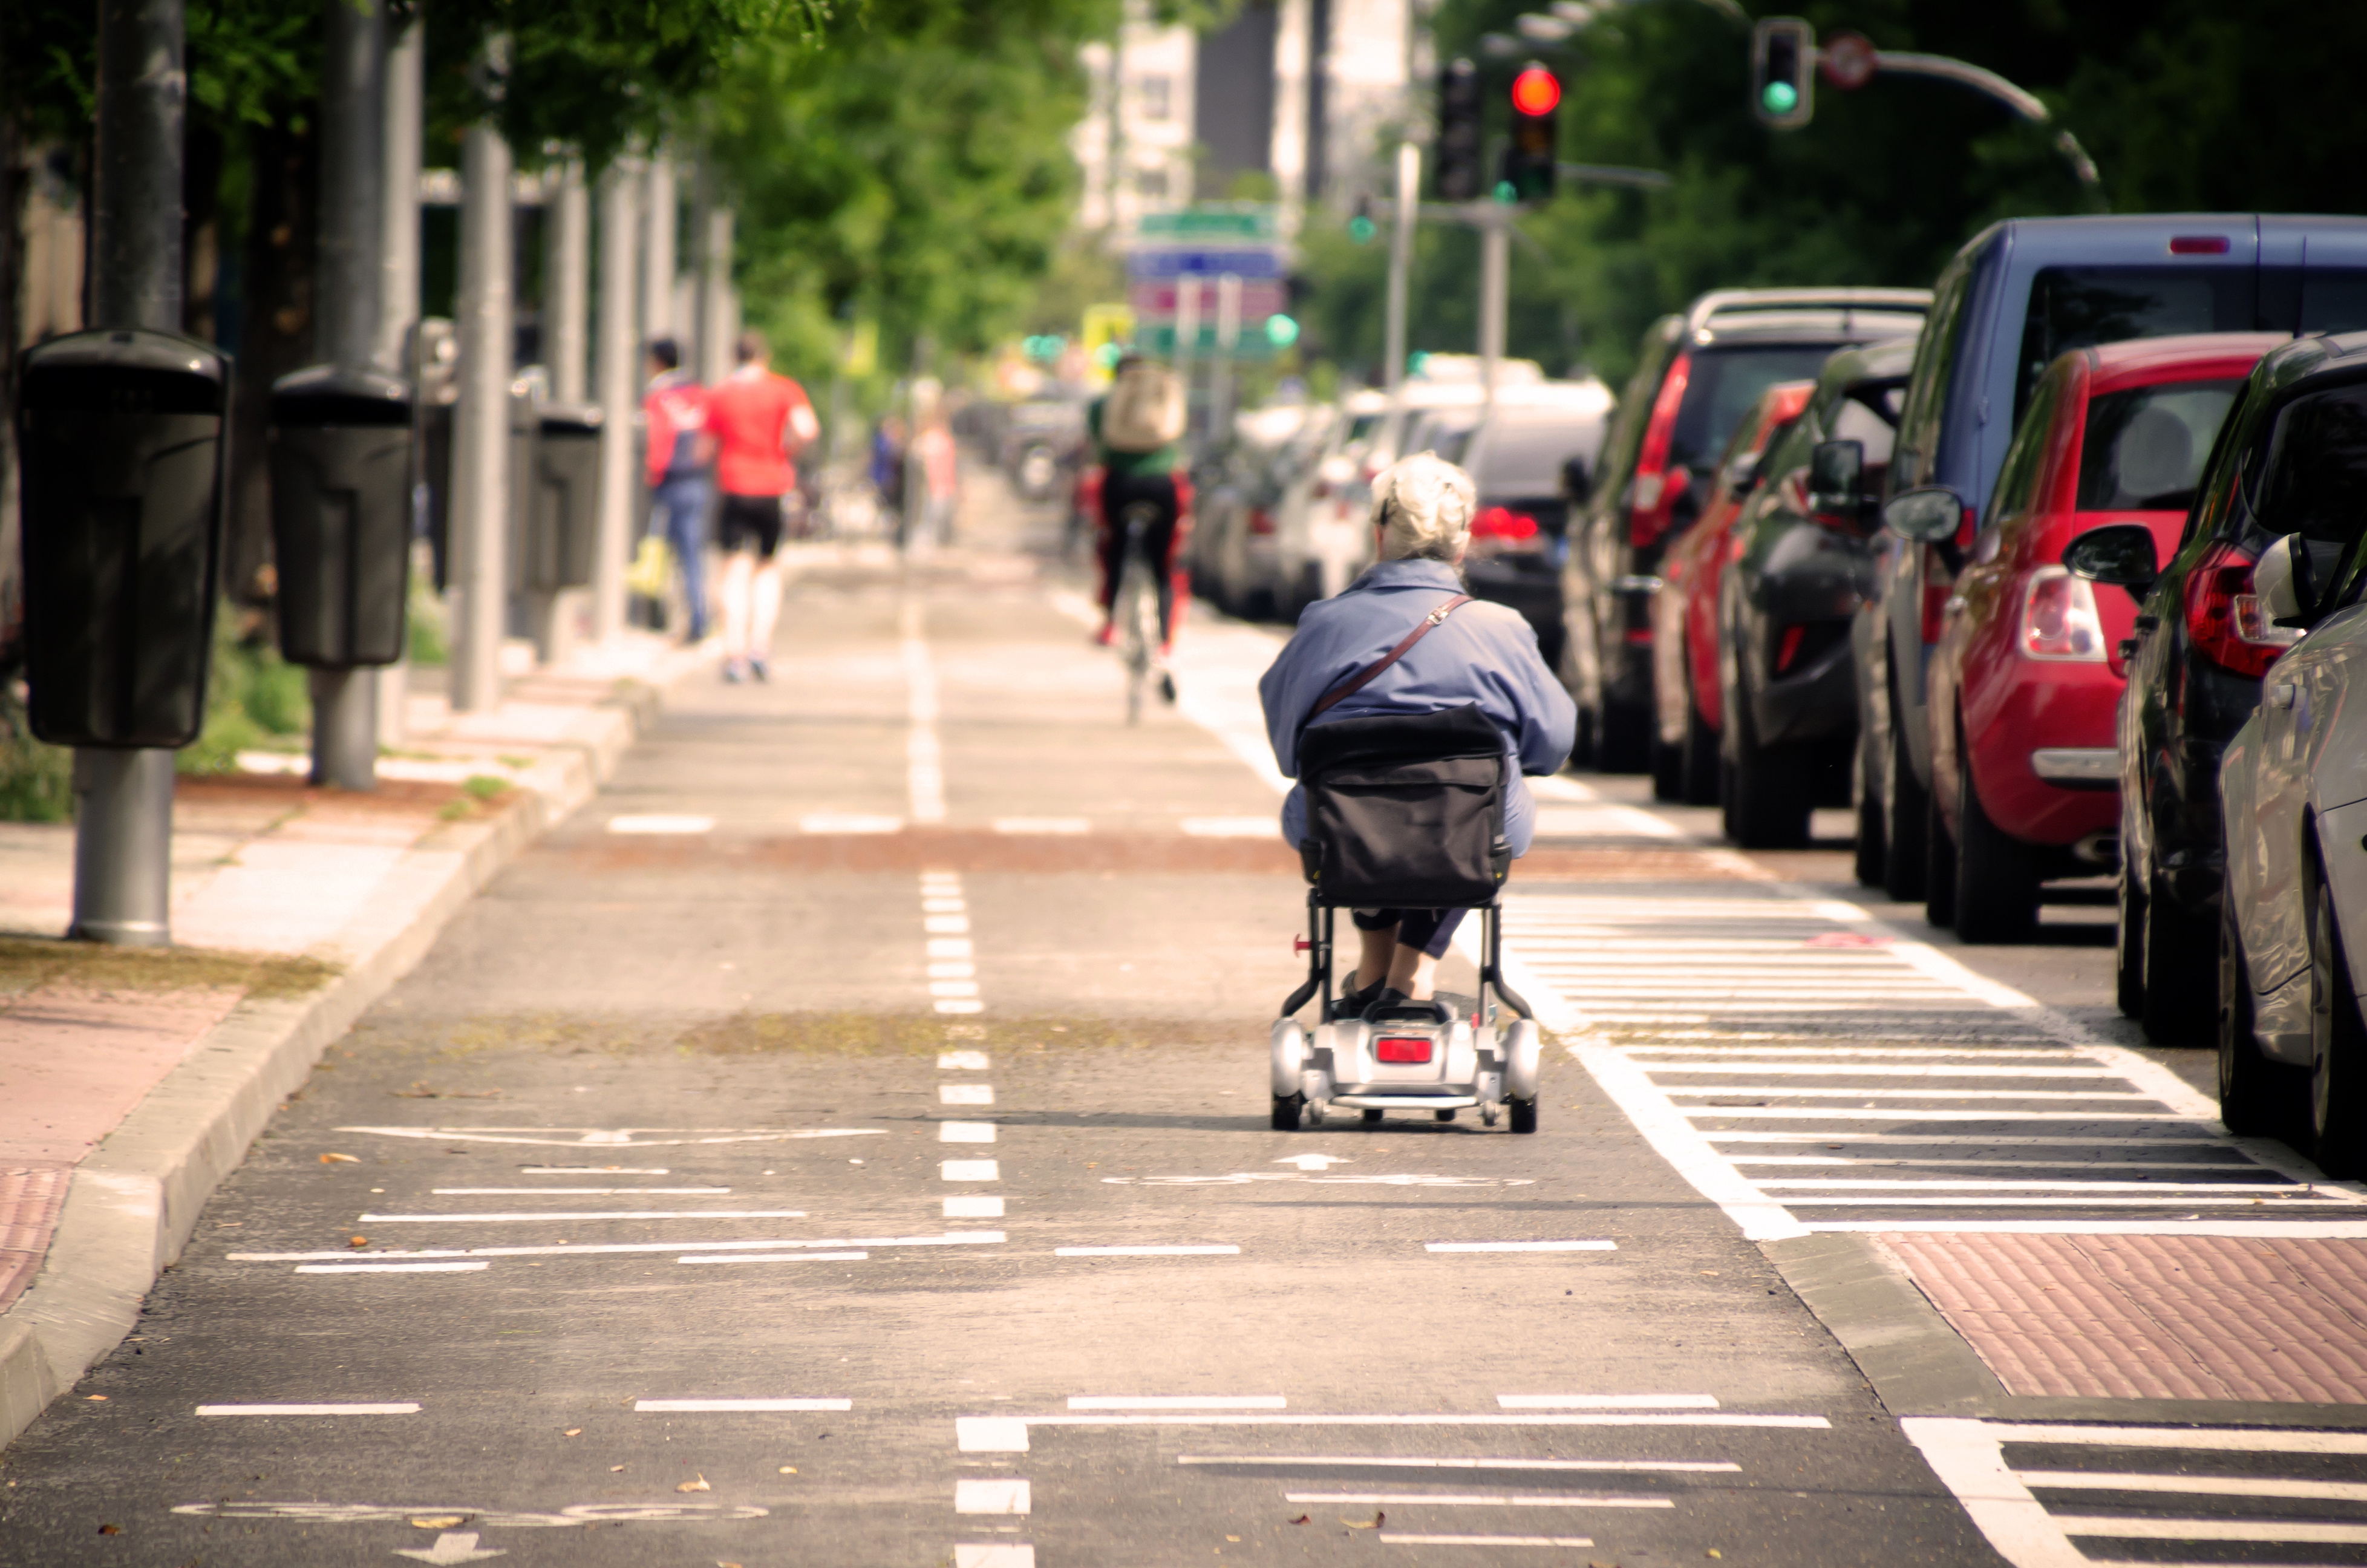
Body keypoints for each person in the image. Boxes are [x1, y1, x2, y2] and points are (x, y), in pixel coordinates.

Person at [1258, 452, 1576, 1016]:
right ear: (1462, 543)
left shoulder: (1323, 625)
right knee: (1474, 816)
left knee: (1361, 807)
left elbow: (1289, 752)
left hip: (1343, 831)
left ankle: (1376, 965)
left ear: (1378, 536)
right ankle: (1413, 972)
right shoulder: (1502, 629)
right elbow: (1551, 745)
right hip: (1468, 831)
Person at [705, 330, 819, 682]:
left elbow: (703, 447)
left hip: (734, 486)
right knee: (767, 569)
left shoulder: (721, 393)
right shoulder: (783, 389)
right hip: (772, 486)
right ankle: (760, 647)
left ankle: (734, 653)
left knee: (733, 571)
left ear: (733, 357)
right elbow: (807, 429)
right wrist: (786, 452)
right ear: (764, 357)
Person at [1087, 354, 1192, 664]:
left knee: (1113, 549)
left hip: (1119, 484)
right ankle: (1164, 641)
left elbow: (1097, 441)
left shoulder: (1103, 404)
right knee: (1164, 565)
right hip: (1163, 485)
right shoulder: (1162, 396)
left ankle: (1109, 625)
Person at [641, 338, 714, 642]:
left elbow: (658, 438)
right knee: (692, 551)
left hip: (669, 481)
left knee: (660, 550)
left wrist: (652, 474)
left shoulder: (659, 395)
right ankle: (699, 614)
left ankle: (663, 615)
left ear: (656, 362)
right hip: (697, 480)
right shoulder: (699, 393)